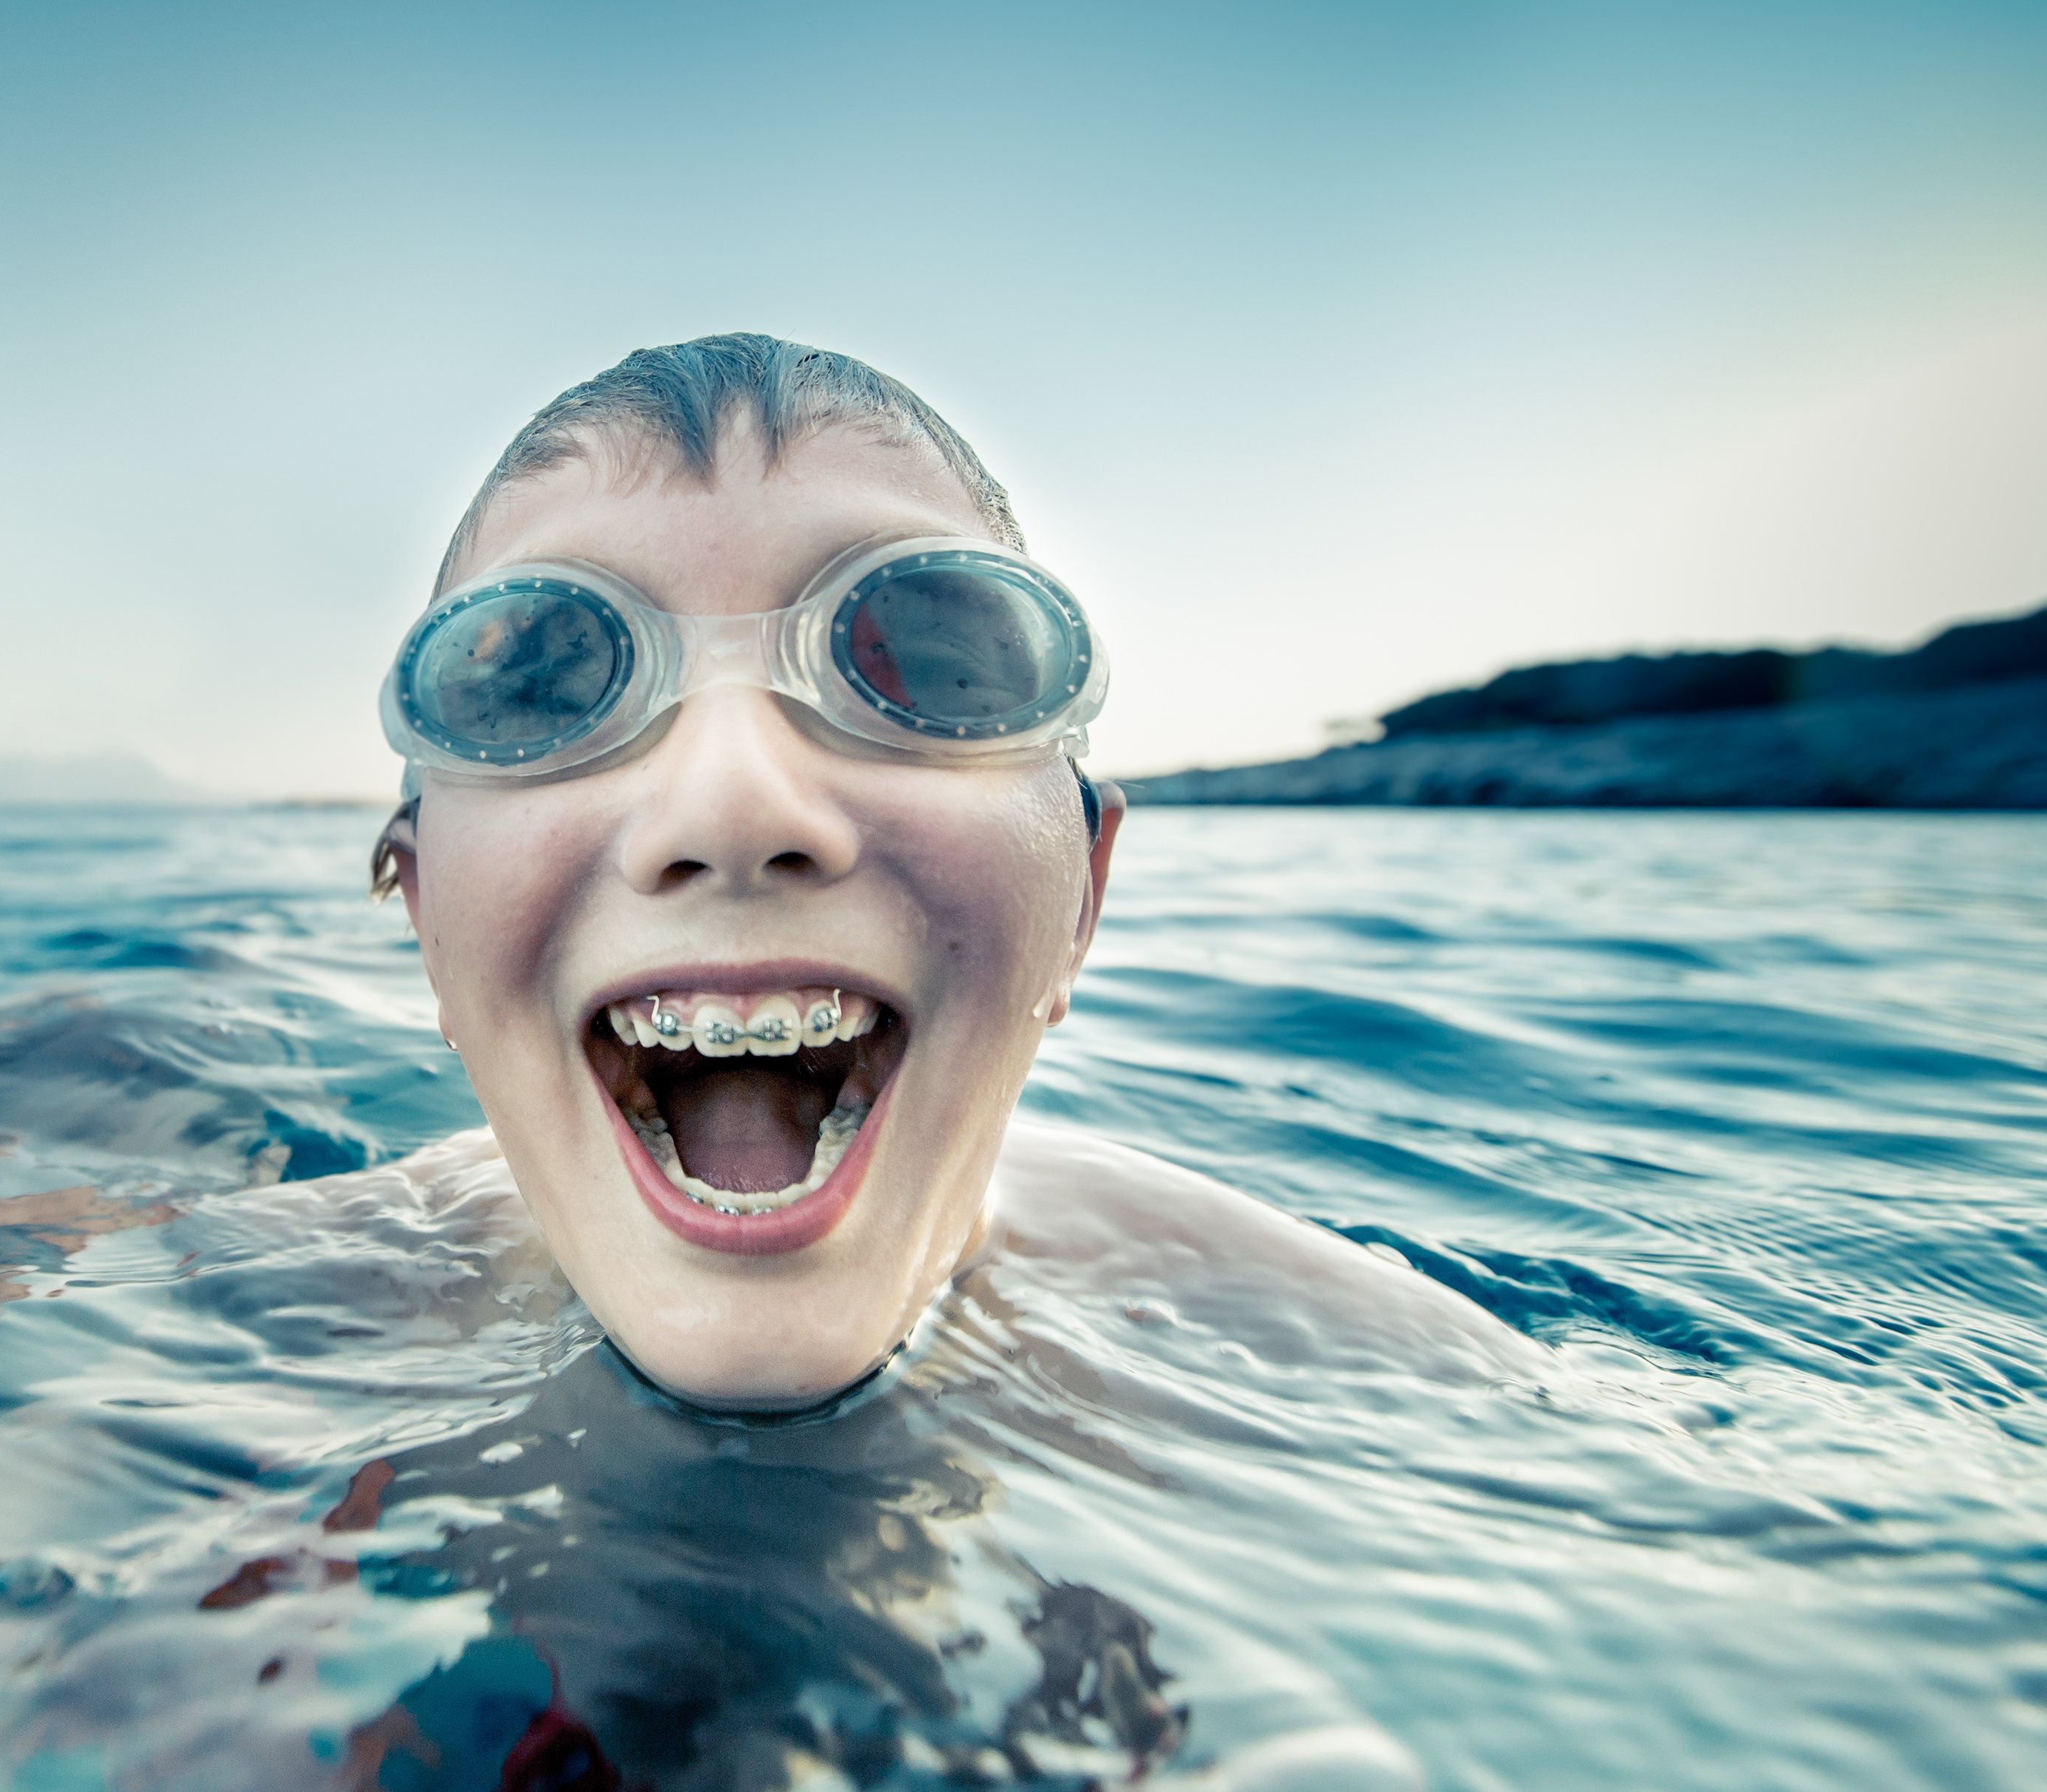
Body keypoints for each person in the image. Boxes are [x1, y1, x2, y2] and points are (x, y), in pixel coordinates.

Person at [372, 333, 1538, 1411]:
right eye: (543, 689)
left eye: (922, 666)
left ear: (1082, 895)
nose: (731, 805)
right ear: (428, 920)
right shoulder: (247, 1325)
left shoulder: (1382, 1377)